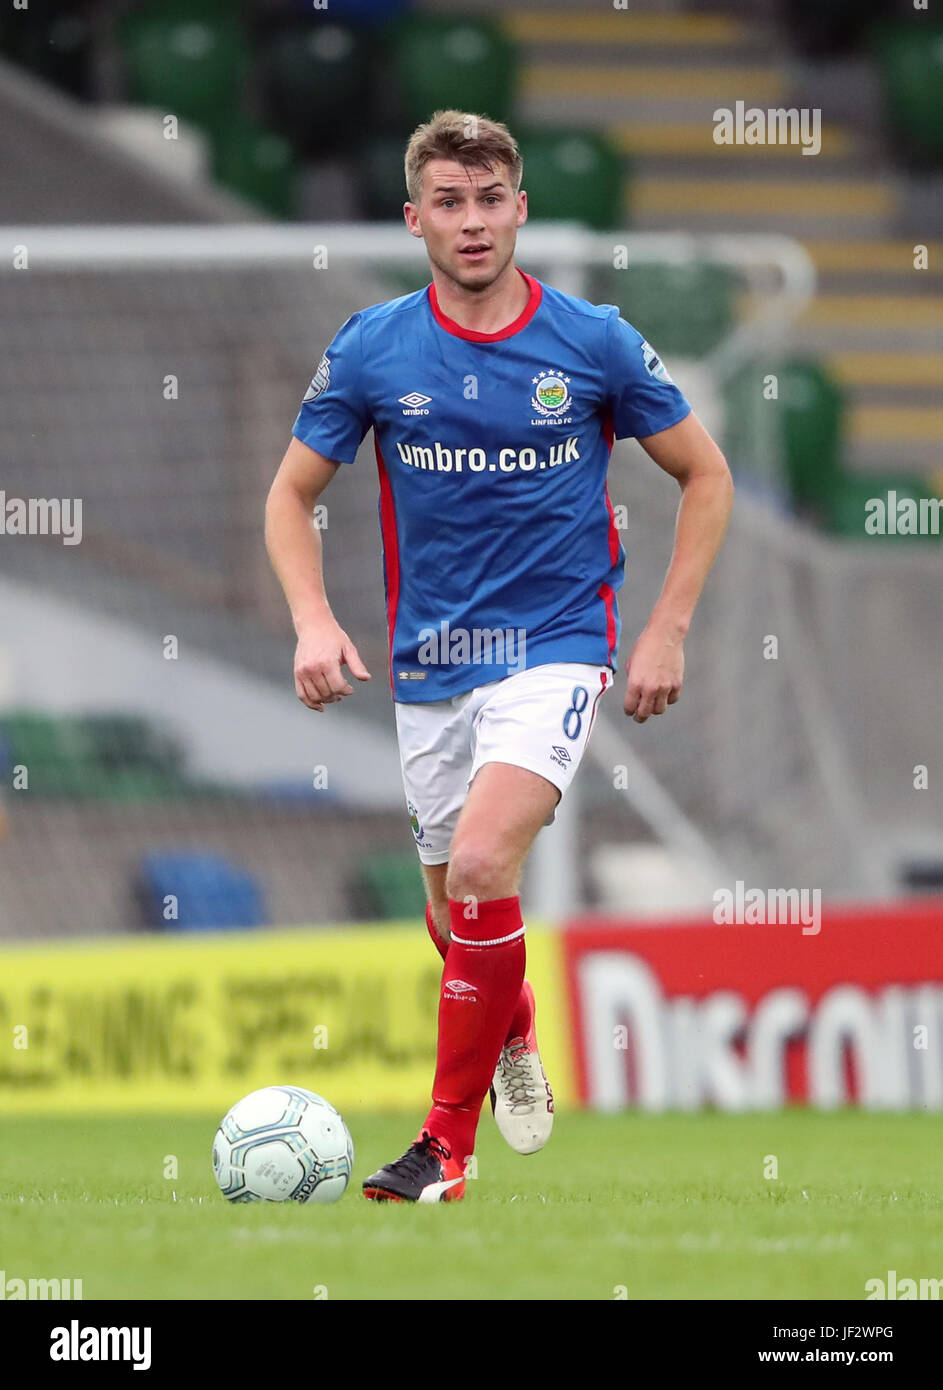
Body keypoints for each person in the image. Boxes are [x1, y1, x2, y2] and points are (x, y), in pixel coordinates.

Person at [265, 109, 734, 1202]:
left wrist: (662, 626)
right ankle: (513, 1031)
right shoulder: (373, 346)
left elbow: (703, 477)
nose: (470, 223)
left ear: (519, 209)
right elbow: (290, 495)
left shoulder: (594, 341)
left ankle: (442, 1147)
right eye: (448, 202)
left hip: (557, 645)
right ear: (413, 217)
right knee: (453, 914)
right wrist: (311, 618)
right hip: (429, 664)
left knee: (482, 868)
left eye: (489, 201)